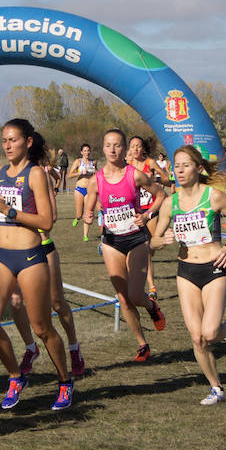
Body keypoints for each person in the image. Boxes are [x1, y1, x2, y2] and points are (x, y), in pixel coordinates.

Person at [0, 119, 73, 410]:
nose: (7, 146)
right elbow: (1, 210)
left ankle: (65, 381)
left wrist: (10, 211)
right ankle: (16, 377)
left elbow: (46, 222)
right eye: (4, 140)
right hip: (0, 255)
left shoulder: (35, 175)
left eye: (13, 140)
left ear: (28, 142)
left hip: (30, 257)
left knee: (42, 327)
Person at [150, 145, 226, 405]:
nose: (180, 170)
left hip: (214, 268)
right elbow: (152, 241)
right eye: (177, 166)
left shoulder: (213, 196)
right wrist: (162, 239)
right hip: (186, 271)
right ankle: (216, 387)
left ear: (198, 168)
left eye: (185, 165)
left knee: (209, 333)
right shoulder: (170, 203)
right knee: (196, 337)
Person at [83, 129, 167, 361]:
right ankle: (142, 344)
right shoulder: (97, 179)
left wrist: (148, 215)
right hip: (111, 240)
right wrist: (88, 213)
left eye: (118, 145)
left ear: (125, 149)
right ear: (103, 148)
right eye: (108, 145)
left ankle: (150, 306)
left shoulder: (135, 175)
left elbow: (160, 195)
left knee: (135, 295)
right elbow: (91, 197)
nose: (112, 149)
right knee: (122, 297)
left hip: (135, 238)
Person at [11, 153, 85, 379]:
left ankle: (73, 348)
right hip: (17, 250)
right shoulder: (11, 178)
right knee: (14, 302)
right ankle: (30, 348)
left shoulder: (42, 178)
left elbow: (50, 219)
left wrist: (17, 215)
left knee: (57, 303)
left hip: (43, 248)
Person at [127, 136, 171, 300]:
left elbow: (167, 181)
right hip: (135, 211)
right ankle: (151, 286)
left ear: (143, 148)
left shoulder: (150, 163)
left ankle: (148, 281)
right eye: (133, 146)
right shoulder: (127, 164)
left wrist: (154, 179)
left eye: (138, 146)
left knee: (150, 248)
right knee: (142, 249)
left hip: (151, 209)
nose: (136, 149)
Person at [67, 143, 96, 242]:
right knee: (79, 214)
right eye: (85, 150)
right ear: (81, 152)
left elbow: (98, 174)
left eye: (88, 150)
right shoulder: (78, 161)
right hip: (79, 189)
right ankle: (77, 218)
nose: (87, 152)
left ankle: (85, 235)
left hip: (89, 190)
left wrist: (96, 172)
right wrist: (80, 173)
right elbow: (69, 175)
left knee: (87, 214)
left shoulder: (93, 162)